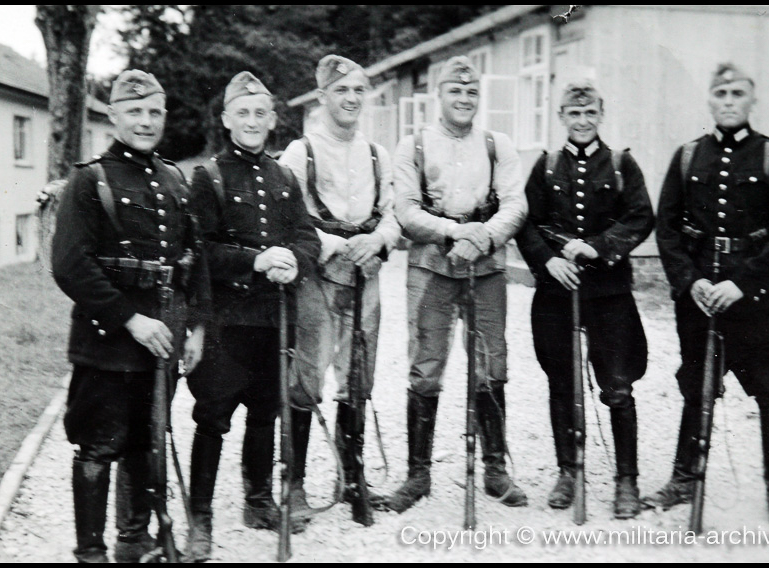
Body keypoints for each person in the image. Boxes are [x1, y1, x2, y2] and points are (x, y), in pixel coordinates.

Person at [52, 69, 209, 563]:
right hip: (108, 339)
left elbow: (194, 258)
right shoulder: (89, 179)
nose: (145, 122)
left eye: (154, 112)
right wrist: (130, 320)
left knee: (147, 441)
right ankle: (91, 553)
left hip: (162, 339)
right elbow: (70, 266)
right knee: (98, 446)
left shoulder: (173, 179)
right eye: (134, 111)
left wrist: (197, 327)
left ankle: (134, 540)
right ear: (114, 115)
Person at [647, 63, 769, 528]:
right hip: (700, 297)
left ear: (752, 100)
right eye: (721, 92)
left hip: (754, 298)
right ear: (710, 101)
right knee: (697, 386)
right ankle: (683, 478)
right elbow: (668, 229)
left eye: (738, 92)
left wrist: (743, 283)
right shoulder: (687, 156)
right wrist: (689, 281)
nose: (729, 100)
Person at [378, 56, 529, 513]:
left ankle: (495, 469)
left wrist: (485, 235)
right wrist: (453, 232)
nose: (463, 99)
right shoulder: (414, 145)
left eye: (471, 93)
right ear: (438, 95)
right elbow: (405, 210)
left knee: (491, 363)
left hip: (485, 267)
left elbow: (515, 205)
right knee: (425, 365)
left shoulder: (496, 144)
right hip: (431, 266)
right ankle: (418, 474)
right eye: (454, 91)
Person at [185, 71, 320, 561]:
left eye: (261, 113)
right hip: (226, 323)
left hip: (273, 319)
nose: (252, 122)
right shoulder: (208, 178)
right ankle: (200, 519)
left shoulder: (284, 178)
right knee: (213, 418)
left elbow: (307, 237)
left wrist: (293, 262)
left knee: (265, 413)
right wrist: (254, 261)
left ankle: (258, 500)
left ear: (272, 120)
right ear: (226, 120)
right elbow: (198, 251)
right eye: (242, 113)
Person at [515, 79, 655, 518]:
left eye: (589, 112)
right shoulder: (546, 166)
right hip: (559, 287)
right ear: (561, 117)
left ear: (601, 115)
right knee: (562, 380)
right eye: (573, 113)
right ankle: (568, 470)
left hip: (607, 289)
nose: (582, 120)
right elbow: (526, 222)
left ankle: (626, 481)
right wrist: (547, 261)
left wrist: (600, 245)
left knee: (616, 385)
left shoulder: (620, 164)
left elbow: (640, 218)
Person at [279, 55, 400, 521]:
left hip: (365, 279)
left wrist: (380, 240)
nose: (351, 99)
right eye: (341, 91)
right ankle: (293, 486)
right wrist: (333, 244)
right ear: (323, 96)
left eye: (358, 91)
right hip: (318, 281)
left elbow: (391, 212)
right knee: (306, 380)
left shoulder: (376, 154)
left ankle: (352, 479)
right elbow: (291, 219)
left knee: (358, 378)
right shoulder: (300, 151)